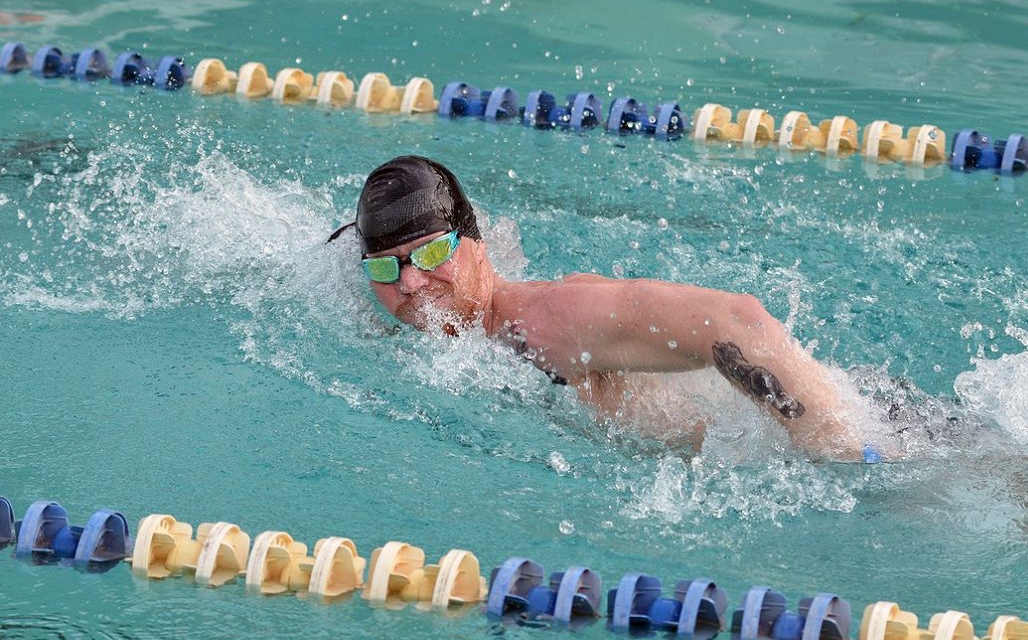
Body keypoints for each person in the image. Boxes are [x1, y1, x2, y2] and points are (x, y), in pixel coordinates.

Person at [329, 155, 887, 462]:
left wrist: (844, 449)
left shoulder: (551, 320)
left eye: (429, 253)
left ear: (476, 244)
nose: (411, 282)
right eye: (385, 266)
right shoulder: (444, 339)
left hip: (880, 430)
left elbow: (738, 320)